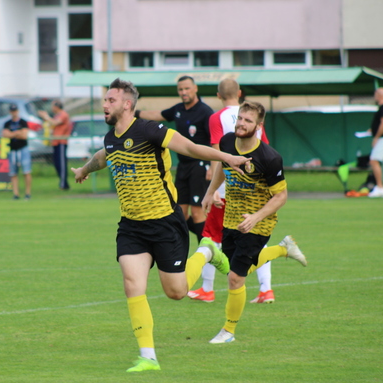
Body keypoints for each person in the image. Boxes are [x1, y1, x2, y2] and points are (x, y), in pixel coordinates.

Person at [71, 78, 251, 372]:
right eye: (105, 100)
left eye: (110, 100)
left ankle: (206, 251)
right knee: (133, 285)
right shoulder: (111, 137)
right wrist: (84, 169)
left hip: (165, 224)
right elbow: (104, 156)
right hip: (131, 227)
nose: (105, 105)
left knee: (176, 291)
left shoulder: (149, 130)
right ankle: (148, 356)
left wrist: (227, 157)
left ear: (127, 104)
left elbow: (191, 148)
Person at [202, 100, 308, 345]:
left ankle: (228, 331)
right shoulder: (227, 141)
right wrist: (210, 192)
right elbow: (221, 165)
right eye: (240, 118)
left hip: (259, 222)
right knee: (234, 268)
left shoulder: (269, 158)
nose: (241, 123)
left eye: (248, 120)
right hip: (232, 217)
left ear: (259, 126)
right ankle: (284, 249)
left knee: (235, 278)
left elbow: (281, 195)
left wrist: (256, 217)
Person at [188, 78, 278, 304]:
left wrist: (214, 189)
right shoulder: (254, 116)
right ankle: (266, 289)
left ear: (218, 95)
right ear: (239, 93)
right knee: (252, 238)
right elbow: (264, 146)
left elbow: (217, 153)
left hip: (229, 189)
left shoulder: (216, 118)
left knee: (210, 236)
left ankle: (207, 289)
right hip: (254, 190)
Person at [136, 76, 213, 244]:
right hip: (183, 167)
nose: (183, 92)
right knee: (180, 214)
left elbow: (214, 142)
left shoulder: (205, 112)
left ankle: (207, 251)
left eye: (186, 88)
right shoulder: (178, 109)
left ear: (195, 89)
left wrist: (212, 167)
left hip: (200, 165)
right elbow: (157, 114)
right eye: (180, 89)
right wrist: (132, 113)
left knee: (197, 212)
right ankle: (210, 241)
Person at [39, 100, 72, 190]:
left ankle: (64, 184)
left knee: (61, 164)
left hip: (61, 142)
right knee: (56, 163)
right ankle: (63, 182)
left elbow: (54, 123)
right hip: (55, 142)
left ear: (57, 107)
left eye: (53, 106)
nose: (51, 108)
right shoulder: (56, 115)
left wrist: (46, 116)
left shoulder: (63, 114)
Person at [2, 104, 32, 200]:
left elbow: (24, 136)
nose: (14, 113)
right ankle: (16, 194)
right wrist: (17, 133)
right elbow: (5, 135)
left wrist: (12, 133)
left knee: (26, 171)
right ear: (10, 112)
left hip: (23, 149)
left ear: (18, 111)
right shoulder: (7, 123)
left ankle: (27, 193)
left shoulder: (23, 122)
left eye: (15, 111)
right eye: (12, 111)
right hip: (12, 150)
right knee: (13, 173)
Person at [367, 87, 383, 198]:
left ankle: (380, 187)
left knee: (374, 160)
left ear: (380, 95)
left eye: (375, 94)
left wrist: (376, 137)